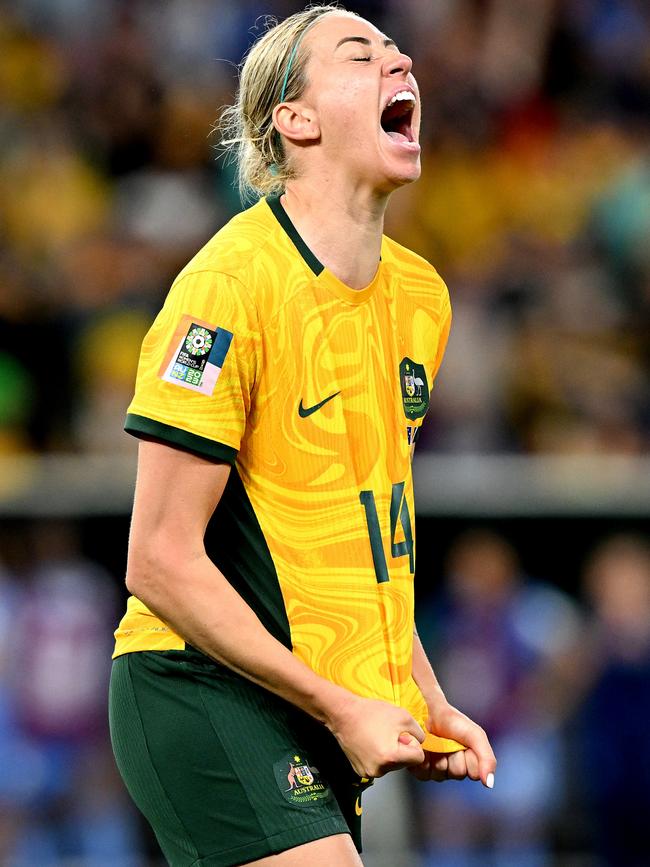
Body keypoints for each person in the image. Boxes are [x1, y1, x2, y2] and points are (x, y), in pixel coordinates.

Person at [108, 6, 497, 866]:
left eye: (402, 56)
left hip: (319, 701)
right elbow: (159, 559)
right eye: (362, 56)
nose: (402, 69)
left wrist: (420, 694)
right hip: (200, 685)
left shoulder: (421, 298)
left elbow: (368, 541)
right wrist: (340, 705)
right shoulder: (228, 287)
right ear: (296, 119)